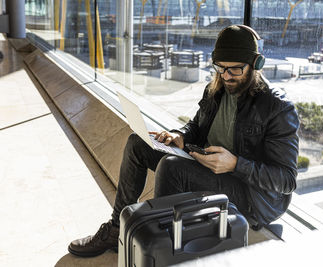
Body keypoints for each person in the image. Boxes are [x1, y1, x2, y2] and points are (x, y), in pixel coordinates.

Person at [68, 25, 299, 257]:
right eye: (221, 68)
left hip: (249, 194)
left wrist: (236, 164)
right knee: (137, 143)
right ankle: (118, 228)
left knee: (172, 167)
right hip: (211, 168)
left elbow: (287, 180)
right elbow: (196, 127)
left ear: (255, 65)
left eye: (235, 69)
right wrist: (180, 136)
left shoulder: (278, 108)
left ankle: (162, 250)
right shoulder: (215, 89)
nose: (226, 76)